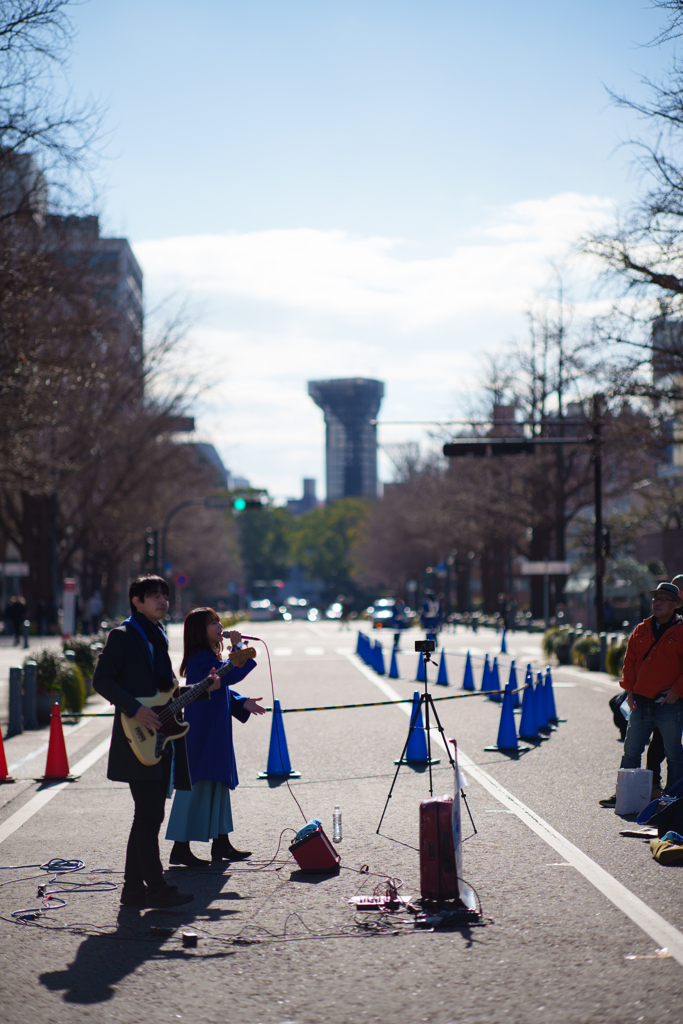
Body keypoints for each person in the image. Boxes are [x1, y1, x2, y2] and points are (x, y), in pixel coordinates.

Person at [92, 574, 219, 908]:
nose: (162, 601)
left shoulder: (158, 634)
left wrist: (205, 688)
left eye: (164, 595)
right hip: (137, 737)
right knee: (149, 816)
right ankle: (157, 888)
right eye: (154, 596)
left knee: (147, 815)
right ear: (136, 601)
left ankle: (134, 891)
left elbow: (165, 694)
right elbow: (102, 679)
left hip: (161, 737)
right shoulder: (123, 635)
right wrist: (135, 708)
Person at [165, 607, 265, 866]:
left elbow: (220, 689)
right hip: (201, 731)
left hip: (215, 729)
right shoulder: (200, 658)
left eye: (218, 620)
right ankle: (180, 846)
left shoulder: (208, 656)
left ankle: (221, 842)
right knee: (194, 786)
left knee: (219, 785)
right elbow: (232, 673)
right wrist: (239, 645)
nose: (219, 625)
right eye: (212, 622)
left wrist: (242, 703)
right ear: (200, 630)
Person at [599, 581, 683, 807]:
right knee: (631, 752)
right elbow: (630, 662)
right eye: (656, 598)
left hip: (669, 704)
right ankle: (625, 797)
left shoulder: (681, 631)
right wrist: (629, 690)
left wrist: (677, 691)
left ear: (675, 604)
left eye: (663, 599)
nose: (657, 602)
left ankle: (672, 801)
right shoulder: (642, 629)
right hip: (641, 703)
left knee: (674, 754)